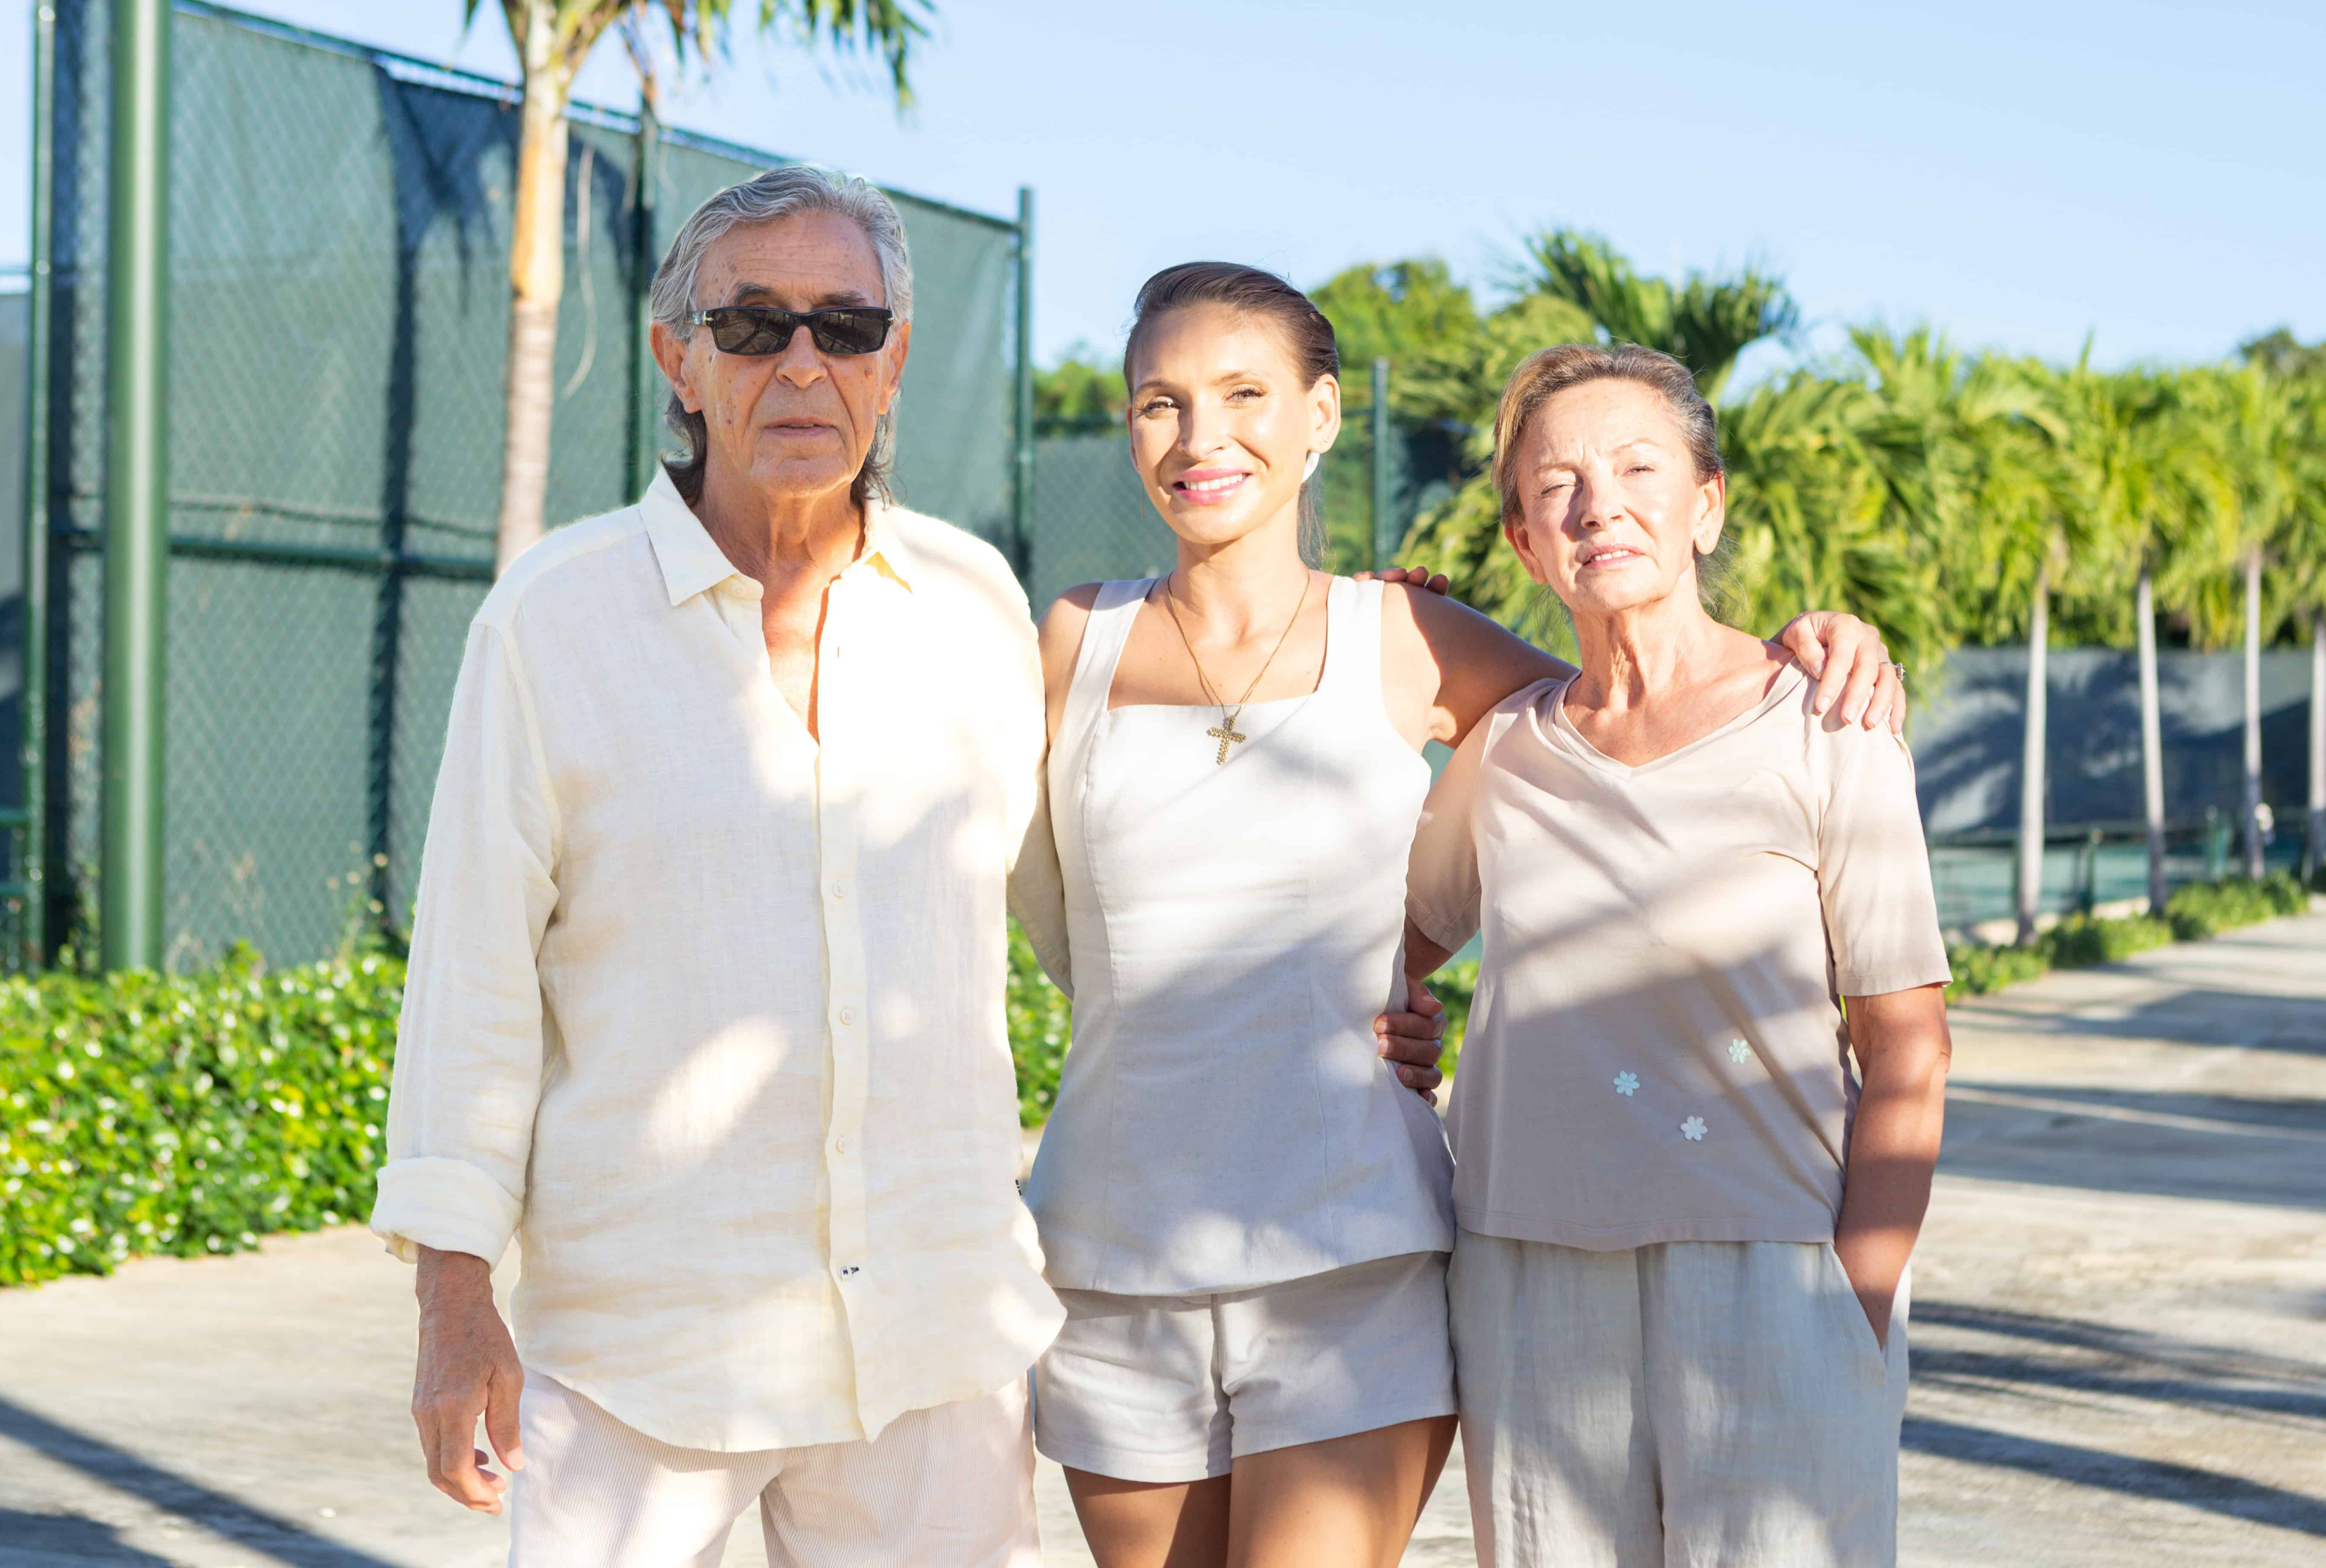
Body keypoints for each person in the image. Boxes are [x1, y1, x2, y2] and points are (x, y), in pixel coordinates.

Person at [1022, 264, 1910, 1568]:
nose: (1203, 435)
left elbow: (1647, 720)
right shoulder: (1066, 640)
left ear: (1323, 416)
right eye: (1163, 401)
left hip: (1354, 1250)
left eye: (1246, 394)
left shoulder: (1415, 639)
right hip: (1114, 1242)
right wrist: (1381, 984)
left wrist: (1821, 647)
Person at [370, 165, 1068, 1568]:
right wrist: (454, 1306)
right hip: (642, 1354)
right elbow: (472, 980)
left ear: (894, 362)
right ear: (677, 361)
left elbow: (1078, 909)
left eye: (845, 326)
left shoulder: (977, 606)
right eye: (751, 325)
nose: (802, 363)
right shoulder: (552, 623)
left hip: (934, 1339)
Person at [1404, 342, 1954, 1567]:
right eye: (1557, 485)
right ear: (1526, 541)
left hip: (1778, 1273)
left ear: (1707, 505)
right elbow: (1378, 948)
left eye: (1639, 469)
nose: (1599, 506)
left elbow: (1908, 1044)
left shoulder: (1830, 722)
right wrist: (1400, 1021)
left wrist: (1856, 1305)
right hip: (1528, 1276)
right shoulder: (1505, 750)